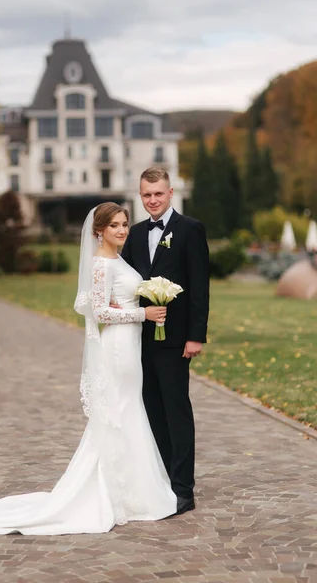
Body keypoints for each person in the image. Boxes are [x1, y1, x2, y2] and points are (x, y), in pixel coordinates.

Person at [0, 202, 177, 535]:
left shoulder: (118, 259)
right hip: (118, 347)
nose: (122, 230)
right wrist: (142, 315)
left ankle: (133, 490)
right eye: (114, 225)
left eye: (125, 224)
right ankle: (115, 493)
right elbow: (100, 312)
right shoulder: (102, 263)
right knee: (120, 411)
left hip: (131, 346)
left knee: (129, 409)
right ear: (99, 230)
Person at [121, 167, 209, 515]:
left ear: (170, 193)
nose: (152, 200)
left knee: (176, 411)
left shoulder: (190, 230)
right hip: (140, 340)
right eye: (146, 195)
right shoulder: (135, 233)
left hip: (176, 342)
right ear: (140, 196)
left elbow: (199, 285)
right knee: (152, 411)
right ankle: (160, 480)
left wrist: (195, 336)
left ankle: (183, 489)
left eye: (158, 193)